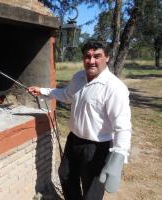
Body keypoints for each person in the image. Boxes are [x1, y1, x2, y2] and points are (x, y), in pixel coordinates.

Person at [28, 40, 132, 200]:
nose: (91, 61)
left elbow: (123, 127)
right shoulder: (78, 77)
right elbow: (66, 95)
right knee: (65, 176)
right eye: (87, 56)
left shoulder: (114, 88)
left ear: (107, 58)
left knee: (91, 192)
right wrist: (42, 91)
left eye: (97, 56)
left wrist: (118, 158)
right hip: (74, 140)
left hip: (97, 148)